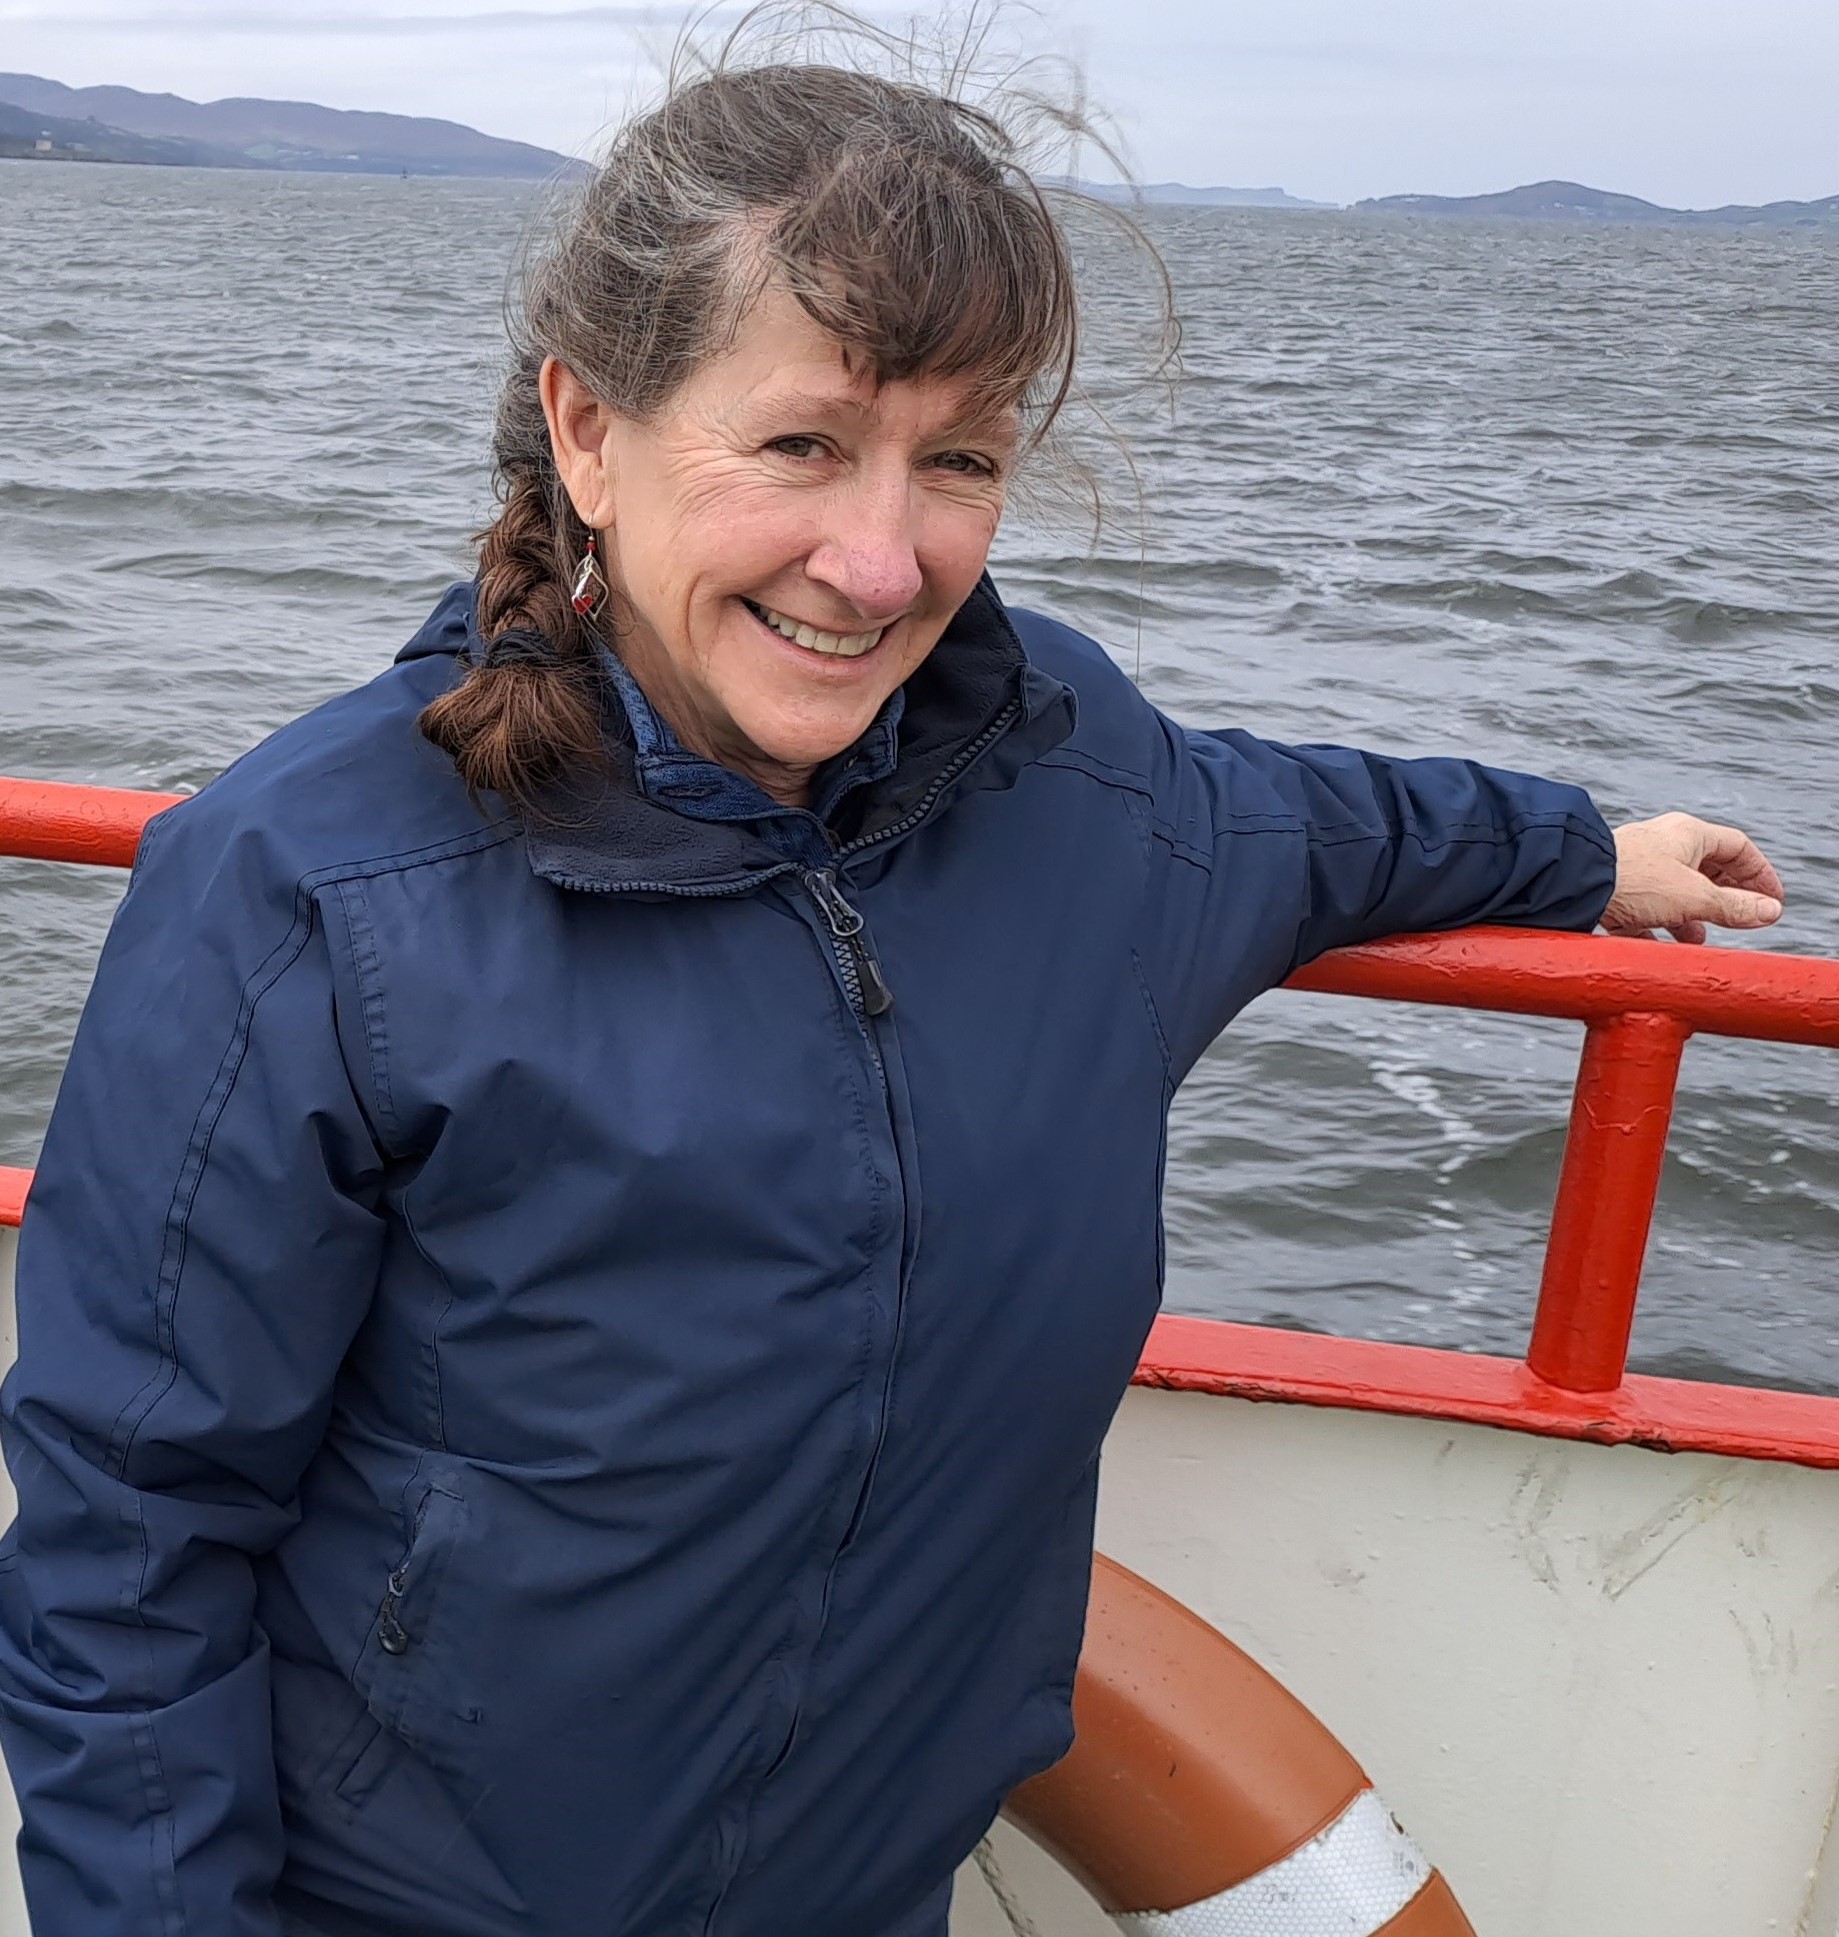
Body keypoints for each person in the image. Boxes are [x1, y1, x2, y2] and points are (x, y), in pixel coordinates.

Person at [0, 45, 1784, 1937]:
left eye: (960, 459)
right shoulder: (314, 885)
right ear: (588, 431)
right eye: (801, 445)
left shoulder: (1081, 785)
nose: (880, 559)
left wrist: (1581, 847)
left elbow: (1312, 822)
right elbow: (131, 1536)